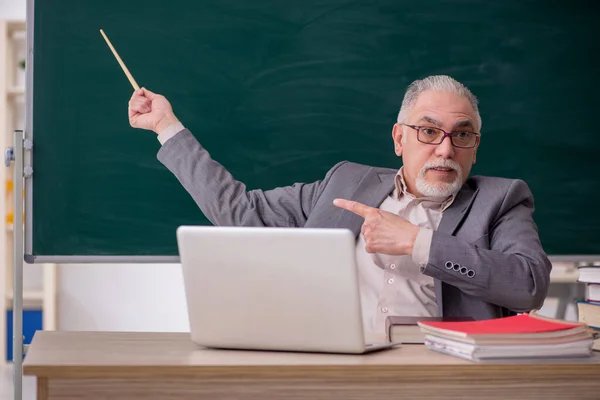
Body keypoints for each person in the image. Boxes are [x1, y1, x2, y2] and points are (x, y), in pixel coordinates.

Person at [128, 75, 551, 335]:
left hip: (440, 374)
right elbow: (239, 210)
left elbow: (528, 286)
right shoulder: (347, 182)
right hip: (334, 365)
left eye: (461, 135)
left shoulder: (502, 199)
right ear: (399, 139)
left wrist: (419, 243)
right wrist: (166, 127)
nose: (444, 149)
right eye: (428, 131)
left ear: (474, 147)